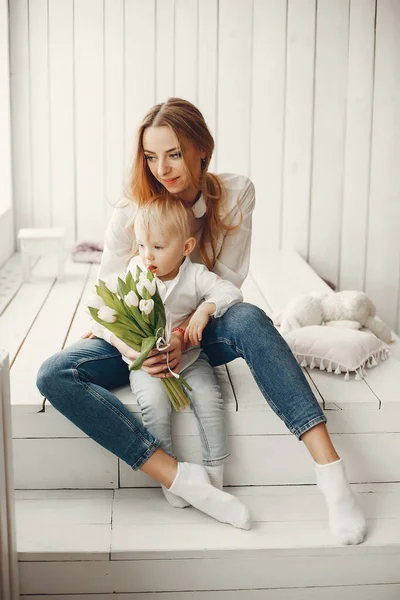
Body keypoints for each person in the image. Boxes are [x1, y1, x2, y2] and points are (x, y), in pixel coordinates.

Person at [37, 97, 366, 544]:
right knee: (54, 373)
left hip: (203, 331)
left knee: (249, 318)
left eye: (173, 153)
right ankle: (178, 479)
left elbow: (228, 283)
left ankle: (332, 476)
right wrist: (141, 349)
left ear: (201, 150)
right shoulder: (131, 211)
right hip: (139, 345)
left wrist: (182, 339)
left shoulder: (233, 196)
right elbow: (109, 296)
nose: (162, 169)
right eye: (151, 157)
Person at [108, 197, 243, 508]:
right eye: (141, 245)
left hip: (190, 358)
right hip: (150, 365)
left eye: (157, 247)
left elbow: (231, 291)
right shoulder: (136, 271)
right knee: (154, 405)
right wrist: (111, 330)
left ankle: (214, 473)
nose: (147, 256)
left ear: (185, 247)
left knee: (209, 401)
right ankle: (171, 475)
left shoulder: (194, 275)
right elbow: (111, 306)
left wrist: (205, 309)